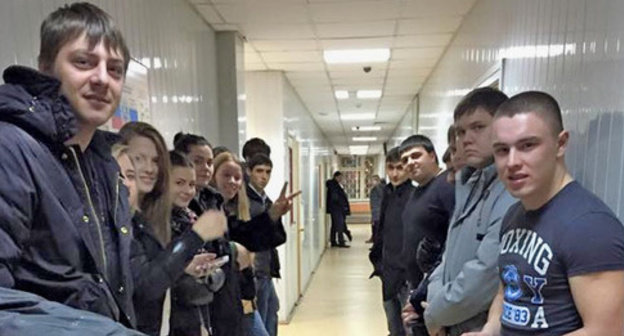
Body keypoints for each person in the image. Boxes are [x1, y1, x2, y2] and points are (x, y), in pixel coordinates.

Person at [0, 2, 136, 326]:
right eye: (83, 62)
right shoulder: (11, 149)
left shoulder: (104, 165)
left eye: (115, 69)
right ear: (45, 67)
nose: (102, 78)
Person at [463, 91, 624, 336]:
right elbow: (507, 292)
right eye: (502, 150)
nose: (512, 161)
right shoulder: (514, 215)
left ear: (560, 144)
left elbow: (608, 331)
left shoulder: (589, 226)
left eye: (528, 145)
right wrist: (490, 330)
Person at [416, 87, 516, 336]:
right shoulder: (469, 184)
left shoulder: (512, 191)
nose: (466, 139)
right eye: (460, 132)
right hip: (451, 321)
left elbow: (486, 273)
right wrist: (436, 308)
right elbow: (449, 257)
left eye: (478, 127)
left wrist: (434, 313)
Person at [397, 135, 455, 336]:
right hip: (416, 286)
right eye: (405, 160)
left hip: (434, 289)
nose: (410, 163)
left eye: (416, 155)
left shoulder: (446, 186)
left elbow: (453, 241)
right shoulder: (417, 191)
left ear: (432, 155)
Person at [369, 147, 413, 336]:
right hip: (388, 271)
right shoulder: (386, 193)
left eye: (400, 168)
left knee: (409, 327)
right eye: (390, 168)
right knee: (393, 327)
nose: (395, 173)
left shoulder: (414, 195)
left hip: (407, 275)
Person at [246, 153, 287, 336]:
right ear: (249, 171)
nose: (264, 176)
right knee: (259, 323)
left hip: (267, 270)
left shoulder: (264, 199)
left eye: (268, 172)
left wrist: (276, 215)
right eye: (259, 171)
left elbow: (277, 237)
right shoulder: (245, 202)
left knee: (271, 314)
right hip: (255, 272)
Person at [326, 171, 352, 247]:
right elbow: (336, 198)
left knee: (334, 225)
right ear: (336, 177)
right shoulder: (334, 186)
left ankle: (333, 241)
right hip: (337, 209)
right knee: (340, 225)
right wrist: (342, 205)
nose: (341, 179)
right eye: (340, 177)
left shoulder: (335, 185)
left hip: (335, 208)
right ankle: (341, 242)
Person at [367, 174, 384, 244]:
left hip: (378, 212)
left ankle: (377, 245)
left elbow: (381, 200)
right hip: (375, 212)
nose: (370, 182)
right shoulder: (374, 189)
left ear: (377, 181)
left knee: (377, 230)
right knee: (375, 229)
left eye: (372, 180)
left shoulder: (378, 188)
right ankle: (375, 243)